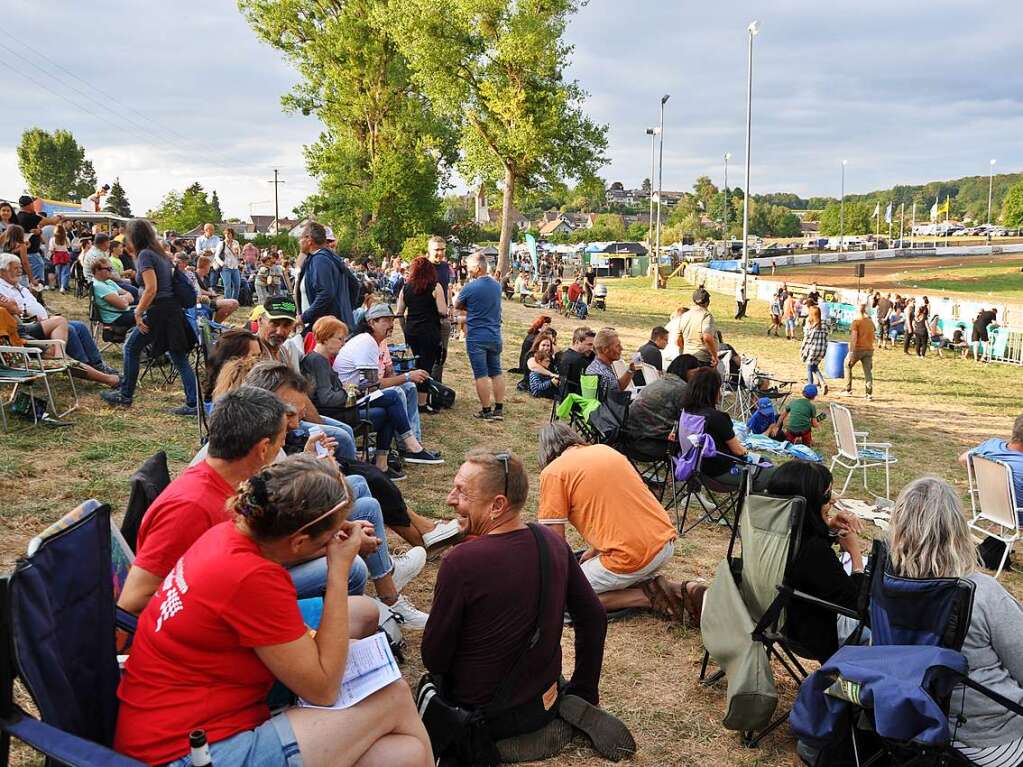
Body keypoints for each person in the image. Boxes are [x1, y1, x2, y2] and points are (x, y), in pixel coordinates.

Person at [115, 454, 433, 767]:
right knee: (392, 696)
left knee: (405, 754)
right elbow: (322, 689)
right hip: (183, 752)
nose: (333, 542)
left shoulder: (230, 534)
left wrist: (327, 532)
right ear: (297, 542)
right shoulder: (253, 578)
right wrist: (339, 568)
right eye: (327, 538)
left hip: (163, 723)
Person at [425, 449, 634, 763]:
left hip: (484, 717)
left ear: (498, 505)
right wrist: (584, 690)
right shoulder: (550, 541)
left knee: (424, 689)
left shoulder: (461, 563)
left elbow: (434, 657)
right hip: (541, 705)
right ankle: (567, 702)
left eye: (463, 493)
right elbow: (592, 616)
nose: (450, 499)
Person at [883, 476, 1023, 765]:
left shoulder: (884, 585)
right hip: (990, 741)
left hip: (913, 725)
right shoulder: (980, 592)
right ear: (957, 529)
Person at [538, 423, 705, 624]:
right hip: (663, 544)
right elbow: (620, 509)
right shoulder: (606, 451)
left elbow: (554, 542)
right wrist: (595, 551)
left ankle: (648, 597)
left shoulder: (553, 472)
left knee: (563, 597)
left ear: (546, 453)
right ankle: (681, 590)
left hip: (631, 556)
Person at [304, 315, 443, 473]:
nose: (343, 344)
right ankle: (408, 448)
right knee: (392, 399)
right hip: (338, 414)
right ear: (325, 338)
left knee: (391, 404)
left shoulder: (319, 359)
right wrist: (349, 391)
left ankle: (386, 460)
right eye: (340, 339)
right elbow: (327, 399)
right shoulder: (318, 361)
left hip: (341, 411)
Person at [766, 460, 865, 661]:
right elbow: (857, 604)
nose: (833, 500)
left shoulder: (772, 534)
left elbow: (807, 559)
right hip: (814, 633)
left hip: (774, 618)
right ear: (810, 501)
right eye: (827, 495)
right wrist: (855, 556)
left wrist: (828, 527)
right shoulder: (814, 550)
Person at [101, 219, 198, 414]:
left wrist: (138, 312)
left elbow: (151, 288)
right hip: (171, 310)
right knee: (178, 357)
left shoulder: (145, 254)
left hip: (159, 310)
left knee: (131, 348)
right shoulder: (159, 253)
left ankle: (125, 395)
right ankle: (193, 404)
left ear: (134, 236)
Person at [0, 254, 120, 387]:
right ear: (2, 271)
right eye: (15, 268)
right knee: (69, 328)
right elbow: (14, 311)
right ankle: (79, 365)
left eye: (20, 268)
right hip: (28, 325)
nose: (19, 271)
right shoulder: (2, 288)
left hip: (41, 321)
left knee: (79, 325)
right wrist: (24, 312)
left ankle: (97, 364)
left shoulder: (20, 286)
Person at [332, 303, 435, 456]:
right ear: (371, 323)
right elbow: (372, 386)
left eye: (392, 320)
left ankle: (414, 442)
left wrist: (405, 378)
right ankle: (408, 447)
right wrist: (407, 376)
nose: (391, 324)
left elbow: (386, 374)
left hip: (358, 392)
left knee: (410, 388)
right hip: (349, 399)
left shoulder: (377, 342)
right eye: (385, 320)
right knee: (397, 392)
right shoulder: (366, 342)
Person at [682, 367, 774, 490]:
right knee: (771, 471)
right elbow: (739, 451)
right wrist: (751, 454)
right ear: (713, 390)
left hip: (694, 470)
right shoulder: (718, 418)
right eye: (719, 387)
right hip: (719, 474)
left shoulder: (685, 412)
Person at [455, 251, 506, 421]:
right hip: (495, 334)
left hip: (477, 335)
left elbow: (457, 304)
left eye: (469, 267)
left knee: (481, 374)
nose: (467, 270)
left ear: (477, 268)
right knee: (496, 371)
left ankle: (486, 410)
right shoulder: (497, 285)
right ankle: (499, 408)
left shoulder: (470, 287)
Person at [395, 256, 446, 409]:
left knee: (415, 364)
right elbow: (442, 311)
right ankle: (422, 402)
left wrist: (405, 330)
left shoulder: (406, 288)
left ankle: (413, 397)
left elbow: (399, 312)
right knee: (426, 366)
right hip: (429, 330)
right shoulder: (435, 287)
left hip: (412, 330)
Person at [625, 354, 701, 455]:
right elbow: (691, 419)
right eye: (695, 373)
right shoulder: (682, 389)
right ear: (685, 370)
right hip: (650, 443)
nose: (697, 377)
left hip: (629, 437)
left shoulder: (662, 380)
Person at [297, 221, 361, 328]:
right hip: (333, 325)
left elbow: (325, 293)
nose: (299, 242)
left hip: (326, 329)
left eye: (301, 238)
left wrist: (304, 317)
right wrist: (345, 310)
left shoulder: (320, 259)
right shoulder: (329, 258)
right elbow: (354, 284)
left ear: (309, 240)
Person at [958, 413, 1023, 512]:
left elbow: (963, 459)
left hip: (993, 510)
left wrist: (984, 483)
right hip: (1019, 516)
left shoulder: (992, 445)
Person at [16, 196, 62, 287]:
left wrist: (39, 231)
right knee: (37, 280)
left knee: (25, 278)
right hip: (31, 253)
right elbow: (52, 221)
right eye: (32, 203)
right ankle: (36, 297)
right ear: (29, 205)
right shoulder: (31, 217)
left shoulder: (19, 216)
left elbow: (35, 231)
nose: (34, 205)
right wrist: (60, 216)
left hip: (23, 253)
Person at [425, 236, 453, 380]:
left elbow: (447, 287)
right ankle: (425, 390)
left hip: (443, 319)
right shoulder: (423, 267)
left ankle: (437, 389)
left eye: (442, 249)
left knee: (441, 356)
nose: (440, 253)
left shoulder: (444, 266)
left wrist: (450, 306)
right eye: (437, 250)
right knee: (427, 356)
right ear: (429, 250)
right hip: (426, 319)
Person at [584, 328, 638, 398]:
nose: (621, 348)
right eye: (617, 346)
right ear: (605, 350)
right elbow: (616, 399)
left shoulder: (595, 365)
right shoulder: (604, 374)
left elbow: (617, 387)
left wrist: (630, 370)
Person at [838, 303, 874, 400]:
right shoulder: (870, 322)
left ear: (857, 311)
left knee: (847, 365)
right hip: (869, 349)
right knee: (868, 372)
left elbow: (854, 338)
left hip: (858, 349)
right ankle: (869, 393)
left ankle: (847, 389)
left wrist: (851, 352)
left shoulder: (856, 322)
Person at [91, 258, 137, 330]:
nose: (111, 271)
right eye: (108, 269)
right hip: (116, 317)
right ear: (97, 270)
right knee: (150, 316)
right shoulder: (99, 286)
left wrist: (121, 298)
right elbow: (123, 305)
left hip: (123, 312)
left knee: (151, 310)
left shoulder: (109, 281)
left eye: (111, 269)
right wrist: (124, 298)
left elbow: (130, 296)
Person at [676, 287, 719, 365]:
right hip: (702, 360)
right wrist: (714, 356)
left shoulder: (685, 315)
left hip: (687, 358)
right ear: (707, 302)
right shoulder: (706, 315)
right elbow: (707, 337)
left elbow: (678, 340)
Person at [195, 255, 240, 323]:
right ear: (205, 266)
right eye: (209, 266)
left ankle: (215, 324)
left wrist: (213, 294)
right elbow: (198, 291)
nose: (210, 268)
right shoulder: (194, 276)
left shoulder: (206, 277)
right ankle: (215, 324)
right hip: (201, 301)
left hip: (209, 300)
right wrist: (210, 293)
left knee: (233, 304)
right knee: (234, 303)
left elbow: (209, 288)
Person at [559, 326, 595, 397]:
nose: (591, 349)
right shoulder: (578, 360)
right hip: (578, 401)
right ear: (577, 342)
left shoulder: (566, 354)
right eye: (589, 345)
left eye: (593, 345)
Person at [800, 305, 829, 392]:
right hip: (821, 350)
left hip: (812, 350)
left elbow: (807, 339)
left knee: (809, 368)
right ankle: (823, 383)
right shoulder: (824, 324)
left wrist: (802, 349)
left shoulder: (811, 326)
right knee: (814, 366)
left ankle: (810, 386)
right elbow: (826, 337)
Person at [219, 226, 243, 300]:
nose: (228, 235)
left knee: (237, 286)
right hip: (225, 268)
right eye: (226, 234)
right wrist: (222, 263)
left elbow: (238, 255)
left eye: (229, 234)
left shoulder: (236, 243)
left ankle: (234, 302)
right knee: (227, 286)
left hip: (235, 267)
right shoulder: (221, 243)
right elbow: (217, 256)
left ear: (232, 234)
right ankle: (227, 302)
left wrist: (235, 250)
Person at [47, 224, 72, 293]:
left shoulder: (52, 239)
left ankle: (60, 285)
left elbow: (51, 249)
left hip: (57, 255)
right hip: (65, 255)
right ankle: (63, 287)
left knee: (58, 272)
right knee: (65, 272)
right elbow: (69, 246)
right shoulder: (66, 238)